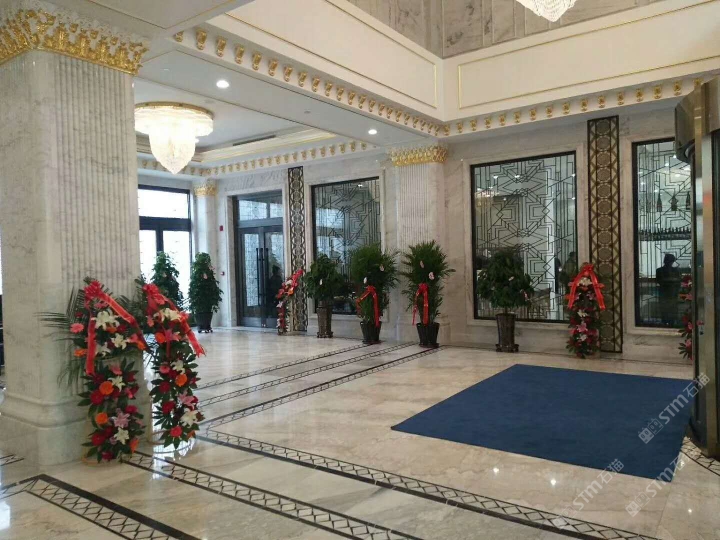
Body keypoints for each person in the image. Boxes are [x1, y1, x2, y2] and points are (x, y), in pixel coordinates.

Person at [656, 253, 681, 326]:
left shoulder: (675, 270)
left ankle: (671, 322)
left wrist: (669, 280)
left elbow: (678, 281)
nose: (670, 263)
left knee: (672, 309)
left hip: (672, 293)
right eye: (670, 261)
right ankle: (666, 322)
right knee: (664, 309)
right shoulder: (659, 270)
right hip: (665, 293)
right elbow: (660, 281)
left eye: (671, 261)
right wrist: (672, 280)